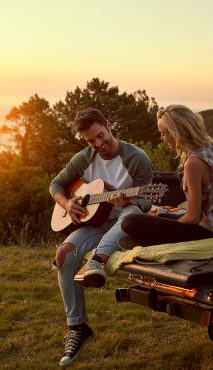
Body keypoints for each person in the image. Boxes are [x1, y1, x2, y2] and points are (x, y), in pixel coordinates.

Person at [49, 108, 153, 367]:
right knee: (64, 254)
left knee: (128, 213)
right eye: (90, 141)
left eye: (100, 136)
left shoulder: (136, 157)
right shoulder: (84, 158)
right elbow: (56, 185)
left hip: (126, 220)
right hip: (96, 221)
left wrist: (128, 198)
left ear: (108, 125)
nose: (98, 144)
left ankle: (97, 260)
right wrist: (66, 205)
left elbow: (147, 200)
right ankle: (77, 327)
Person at [121, 104, 213, 246]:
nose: (162, 138)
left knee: (130, 222)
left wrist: (168, 228)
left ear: (176, 132)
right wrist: (168, 225)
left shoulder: (193, 163)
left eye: (164, 133)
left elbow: (193, 217)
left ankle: (152, 245)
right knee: (162, 216)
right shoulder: (212, 148)